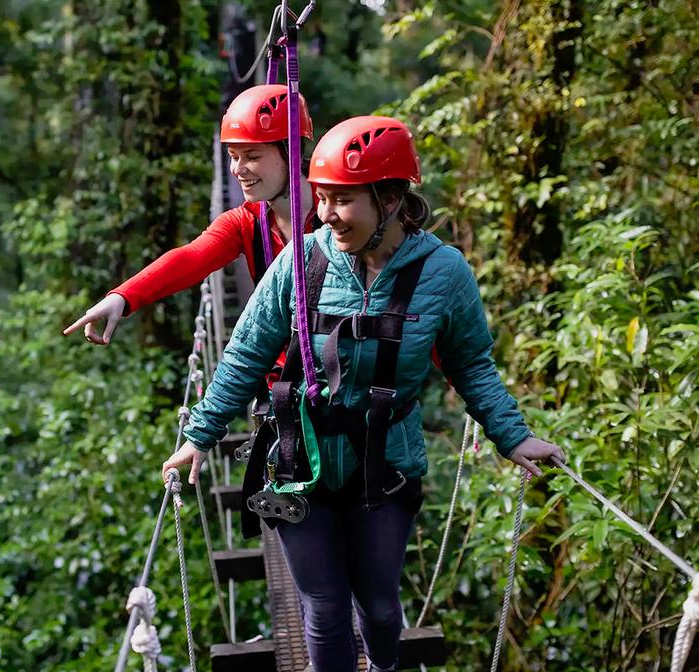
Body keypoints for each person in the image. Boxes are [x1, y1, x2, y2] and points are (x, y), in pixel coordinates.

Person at [161, 116, 566, 672]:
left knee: (378, 607)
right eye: (321, 197)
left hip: (387, 462)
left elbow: (470, 364)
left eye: (342, 200)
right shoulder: (301, 261)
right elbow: (247, 352)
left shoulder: (443, 272)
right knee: (325, 609)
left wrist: (514, 438)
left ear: (393, 198)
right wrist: (199, 436)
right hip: (299, 455)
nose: (325, 213)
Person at [63, 84, 316, 344]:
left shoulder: (339, 213)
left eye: (251, 156)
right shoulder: (246, 223)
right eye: (233, 156)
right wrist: (122, 297)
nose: (238, 170)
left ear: (292, 151)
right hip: (281, 372)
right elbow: (190, 258)